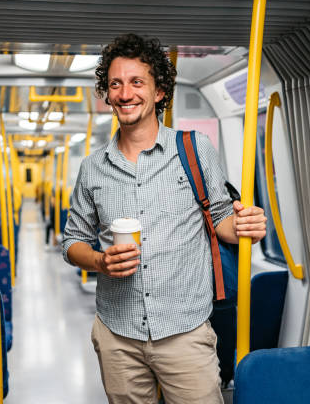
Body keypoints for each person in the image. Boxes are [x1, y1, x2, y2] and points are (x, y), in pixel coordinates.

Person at [63, 34, 267, 403]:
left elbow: (220, 217)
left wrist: (244, 226)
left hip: (186, 333)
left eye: (137, 82)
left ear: (159, 92)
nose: (125, 93)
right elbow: (72, 241)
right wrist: (99, 261)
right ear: (107, 94)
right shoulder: (93, 169)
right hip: (118, 336)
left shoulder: (194, 149)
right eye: (115, 84)